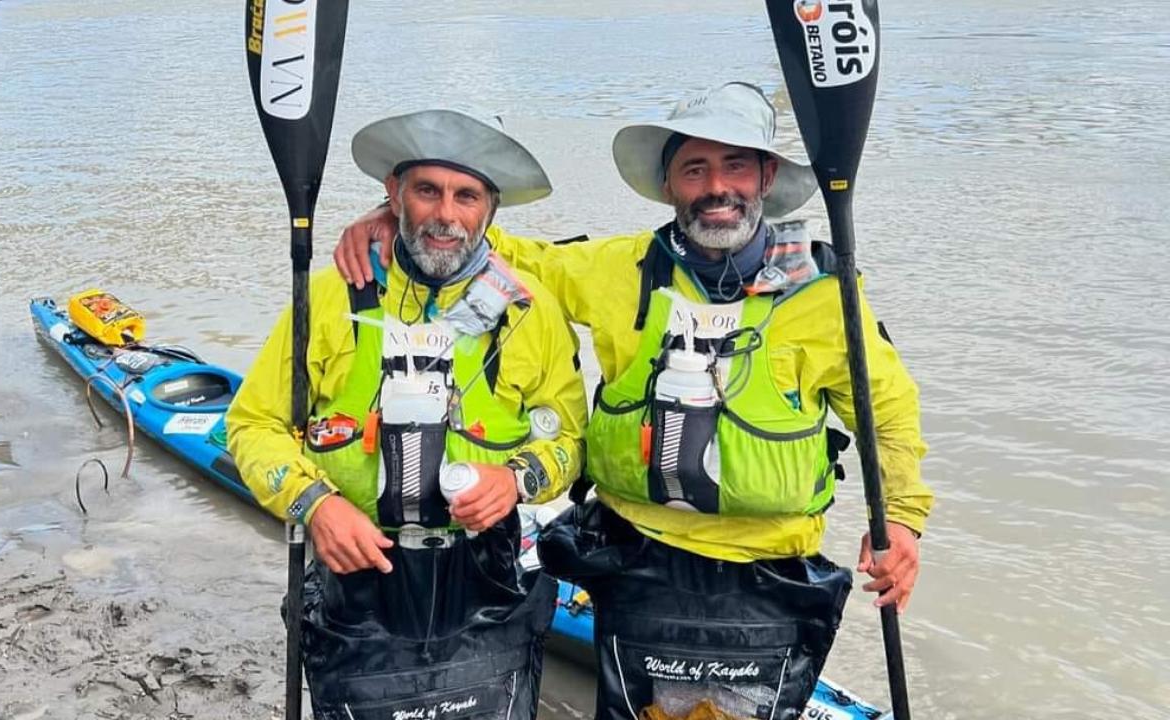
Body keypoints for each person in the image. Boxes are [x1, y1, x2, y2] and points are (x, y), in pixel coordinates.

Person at [332, 82, 934, 720]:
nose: (715, 187)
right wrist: (391, 212)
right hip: (638, 559)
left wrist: (899, 520)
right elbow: (484, 244)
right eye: (694, 169)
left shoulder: (825, 294)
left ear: (764, 178)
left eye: (734, 166)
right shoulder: (618, 269)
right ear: (670, 186)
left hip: (769, 570)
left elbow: (887, 414)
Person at [226, 109, 587, 719]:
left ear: (490, 211)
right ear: (393, 196)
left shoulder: (532, 310)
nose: (446, 214)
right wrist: (317, 505)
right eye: (427, 190)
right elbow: (252, 426)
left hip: (486, 575)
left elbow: (568, 439)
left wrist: (517, 478)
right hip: (361, 573)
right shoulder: (332, 295)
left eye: (466, 195)